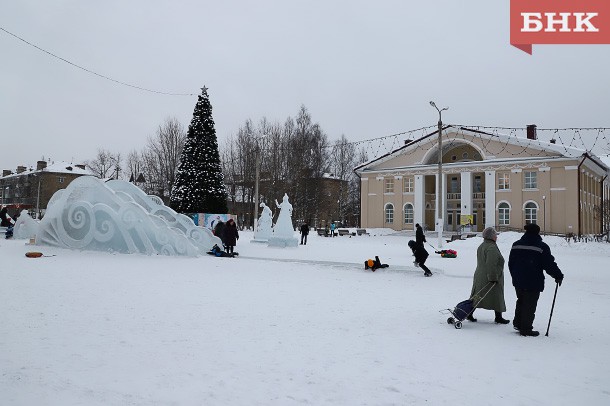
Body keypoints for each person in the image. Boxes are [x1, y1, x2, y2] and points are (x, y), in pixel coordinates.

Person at [508, 223, 564, 337]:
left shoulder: (516, 245)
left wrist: (514, 275)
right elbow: (549, 264)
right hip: (533, 280)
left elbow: (511, 263)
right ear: (537, 233)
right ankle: (526, 328)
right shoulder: (541, 246)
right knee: (530, 304)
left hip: (518, 279)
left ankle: (518, 323)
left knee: (521, 300)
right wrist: (558, 275)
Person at [468, 227, 510, 324]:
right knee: (496, 295)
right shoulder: (491, 247)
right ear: (491, 236)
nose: (496, 237)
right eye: (495, 235)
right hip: (489, 275)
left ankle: (469, 313)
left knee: (478, 295)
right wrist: (493, 277)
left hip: (480, 275)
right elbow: (491, 264)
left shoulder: (482, 245)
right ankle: (498, 317)